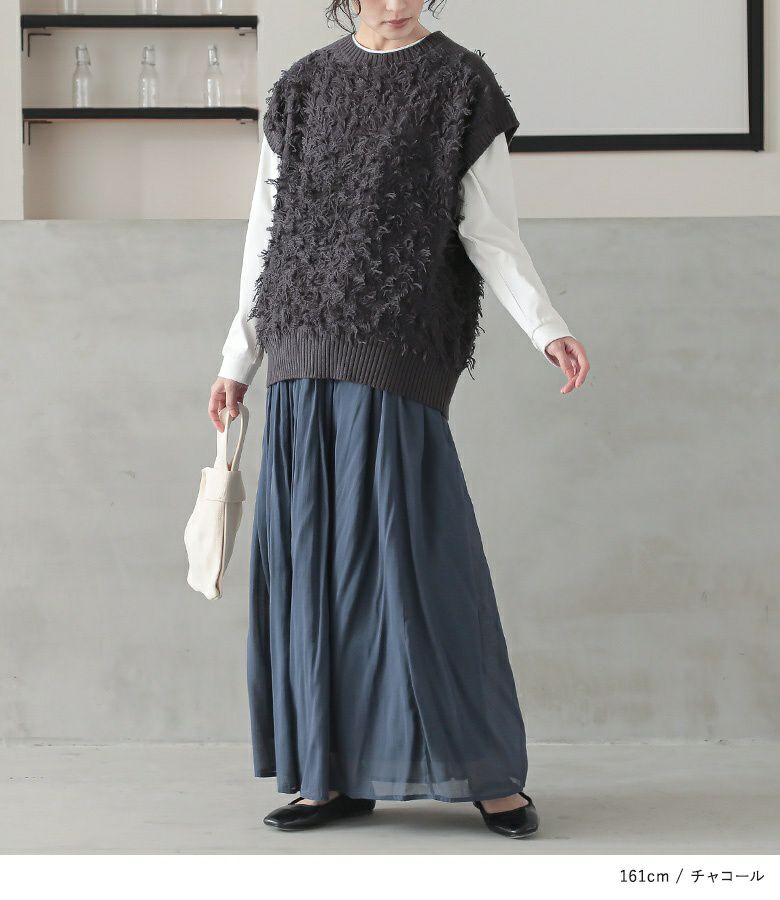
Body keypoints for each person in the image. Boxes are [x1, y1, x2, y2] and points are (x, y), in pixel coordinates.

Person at [209, 1, 589, 840]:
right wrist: (238, 360)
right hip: (299, 344)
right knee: (316, 574)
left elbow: (489, 231)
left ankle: (488, 775)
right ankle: (330, 777)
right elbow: (266, 234)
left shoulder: (459, 82)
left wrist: (546, 326)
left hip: (398, 343)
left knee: (420, 568)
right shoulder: (303, 87)